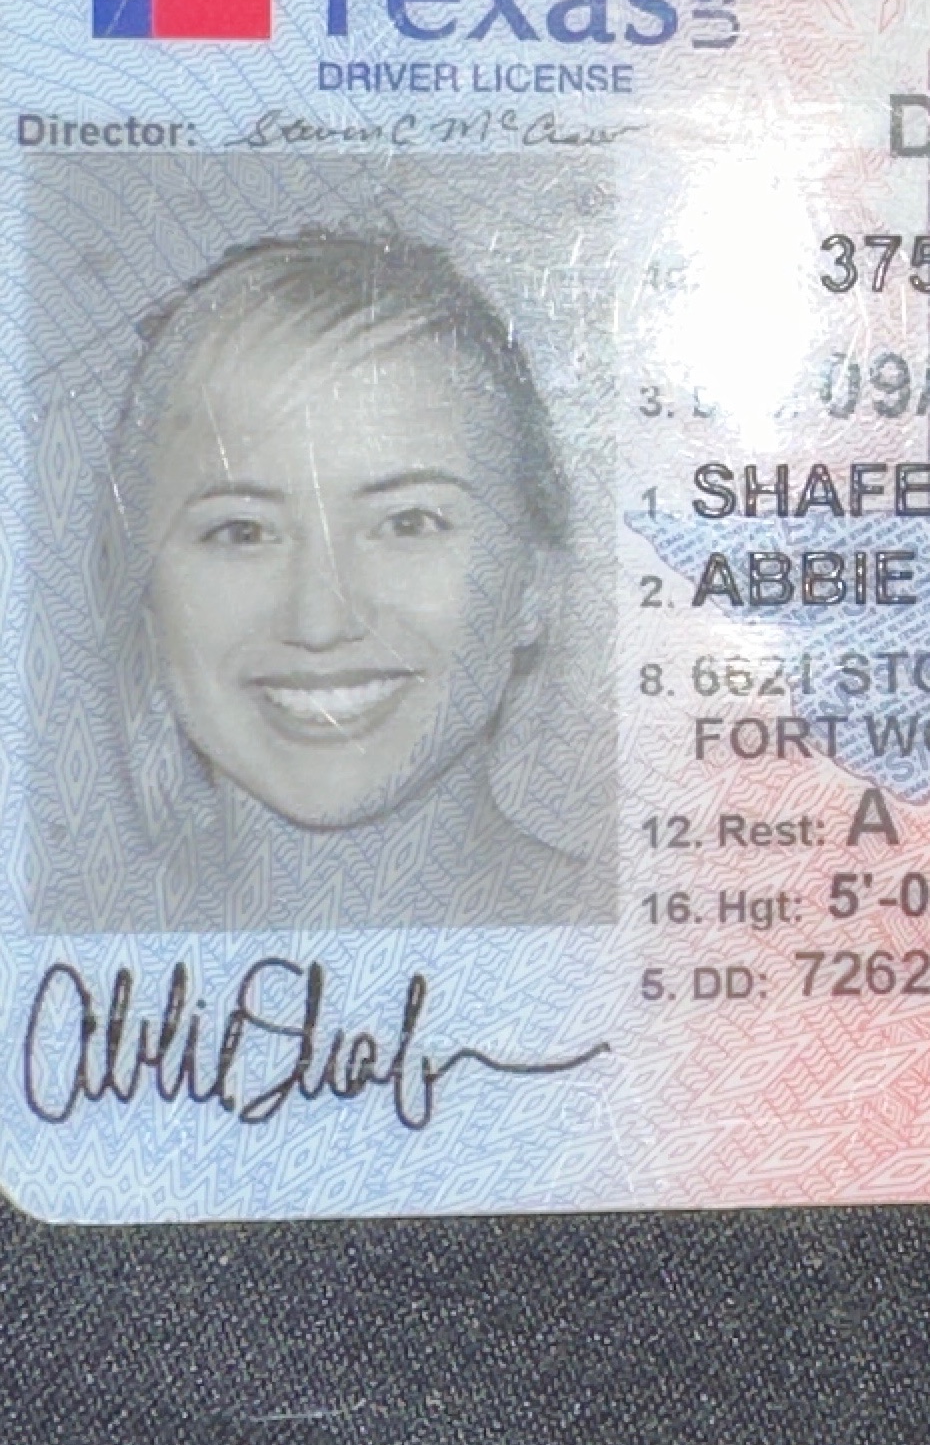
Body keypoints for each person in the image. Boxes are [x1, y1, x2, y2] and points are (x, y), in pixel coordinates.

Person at [92, 230, 599, 930]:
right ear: (147, 593)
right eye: (242, 531)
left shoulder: (658, 955)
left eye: (408, 523)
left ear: (535, 583)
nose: (319, 621)